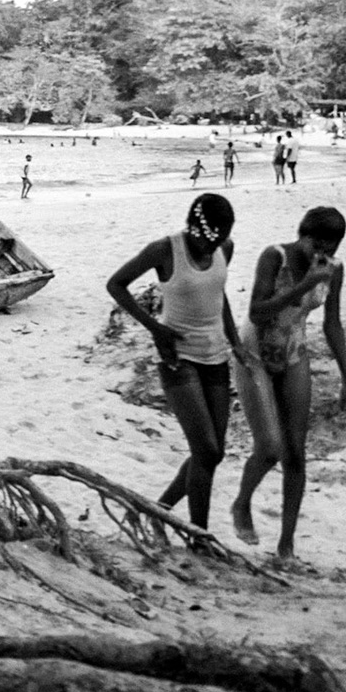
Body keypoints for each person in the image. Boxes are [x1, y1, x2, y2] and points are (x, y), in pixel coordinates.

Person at [105, 195, 240, 530]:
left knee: (213, 454)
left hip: (216, 356)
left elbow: (217, 294)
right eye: (214, 237)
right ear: (196, 227)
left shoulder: (224, 248)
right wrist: (155, 328)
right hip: (177, 358)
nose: (218, 245)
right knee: (206, 450)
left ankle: (158, 511)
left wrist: (235, 342)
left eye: (223, 237)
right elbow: (116, 284)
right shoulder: (164, 250)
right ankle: (198, 534)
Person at [230, 206, 346, 559]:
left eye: (333, 248)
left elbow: (332, 325)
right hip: (254, 350)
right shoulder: (274, 256)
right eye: (319, 246)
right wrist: (306, 284)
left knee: (296, 451)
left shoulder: (334, 270)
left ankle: (286, 544)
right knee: (269, 447)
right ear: (303, 236)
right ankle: (241, 503)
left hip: (294, 348)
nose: (324, 255)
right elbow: (256, 311)